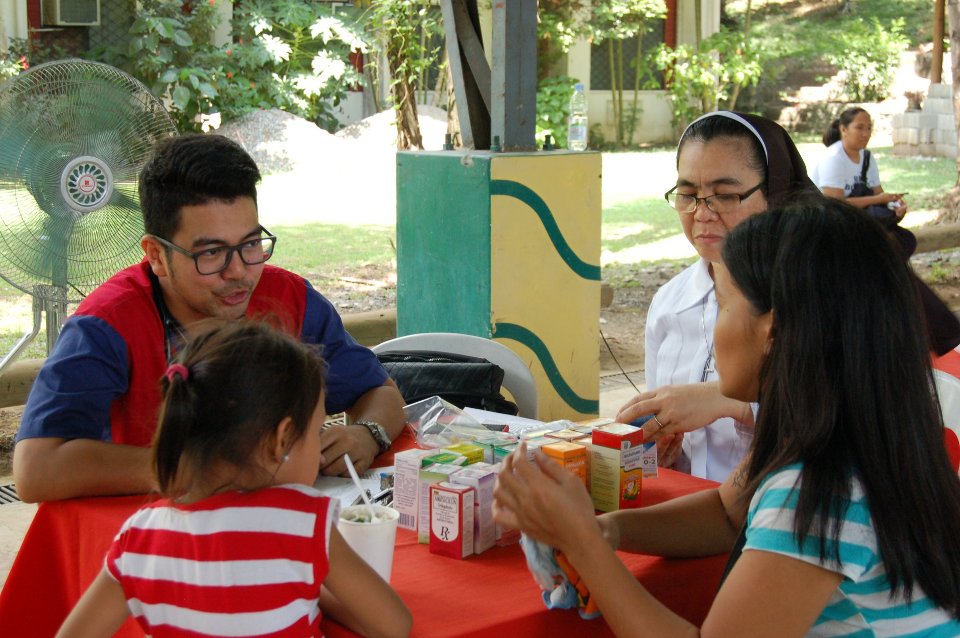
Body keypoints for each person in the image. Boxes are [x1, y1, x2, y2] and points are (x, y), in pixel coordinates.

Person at [493, 197, 960, 636]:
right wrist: (609, 530)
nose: (714, 328)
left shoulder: (818, 494)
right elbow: (725, 513)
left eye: (725, 304)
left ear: (772, 332)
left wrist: (583, 545)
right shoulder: (857, 440)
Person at [13, 134, 406, 503]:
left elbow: (381, 394)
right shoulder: (108, 324)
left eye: (251, 244)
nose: (239, 272)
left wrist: (366, 434)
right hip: (145, 546)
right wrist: (204, 469)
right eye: (212, 253)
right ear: (155, 255)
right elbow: (36, 469)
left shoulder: (289, 299)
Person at [56, 321, 412, 638]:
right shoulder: (305, 523)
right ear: (282, 439)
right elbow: (393, 625)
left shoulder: (138, 536)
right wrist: (313, 585)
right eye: (316, 430)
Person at [616, 111, 817, 482]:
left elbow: (843, 426)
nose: (702, 214)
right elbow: (669, 446)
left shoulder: (817, 297)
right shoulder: (669, 304)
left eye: (724, 196)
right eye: (688, 195)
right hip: (696, 517)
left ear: (776, 192)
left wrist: (725, 404)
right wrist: (659, 451)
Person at [811, 107, 960, 356]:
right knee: (891, 266)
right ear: (843, 129)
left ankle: (938, 332)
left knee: (898, 254)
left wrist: (893, 204)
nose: (866, 133)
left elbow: (877, 193)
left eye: (869, 127)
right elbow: (832, 203)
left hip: (861, 228)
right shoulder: (833, 159)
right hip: (833, 230)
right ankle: (942, 332)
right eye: (860, 127)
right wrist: (879, 199)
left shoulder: (867, 158)